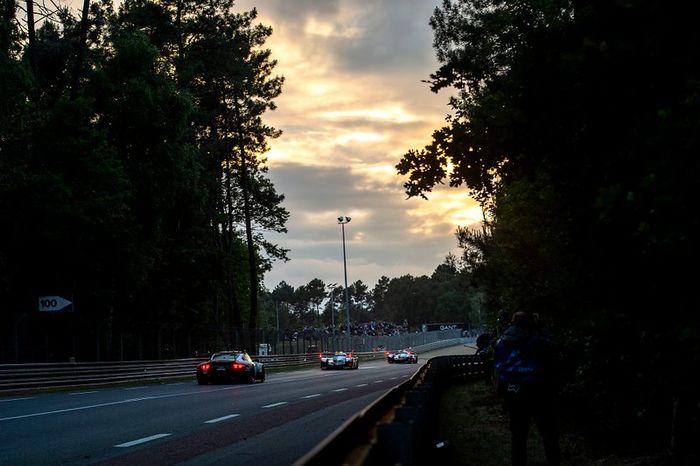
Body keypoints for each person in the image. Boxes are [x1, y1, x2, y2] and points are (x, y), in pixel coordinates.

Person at [493, 311, 561, 466]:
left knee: (518, 436)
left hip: (512, 392)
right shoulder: (537, 341)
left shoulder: (501, 342)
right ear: (531, 324)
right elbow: (554, 348)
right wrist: (541, 328)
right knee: (549, 434)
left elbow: (498, 367)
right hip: (537, 392)